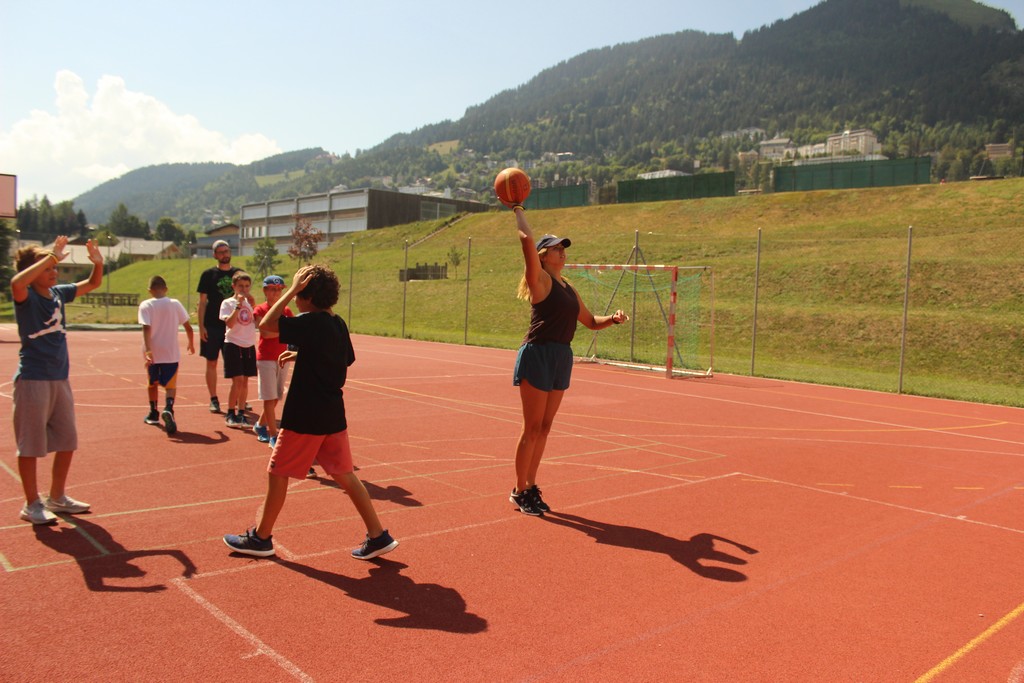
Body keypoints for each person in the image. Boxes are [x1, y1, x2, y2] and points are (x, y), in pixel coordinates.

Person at [223, 263, 398, 560]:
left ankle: (261, 538)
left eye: (299, 293)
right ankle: (378, 534)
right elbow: (344, 358)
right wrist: (304, 353)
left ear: (306, 295)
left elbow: (265, 326)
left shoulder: (310, 321)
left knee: (277, 472)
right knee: (345, 475)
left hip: (306, 415)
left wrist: (290, 290)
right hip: (332, 413)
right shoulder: (336, 323)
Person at [508, 205, 627, 516]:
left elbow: (589, 321)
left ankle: (531, 486)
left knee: (545, 427)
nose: (562, 252)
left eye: (563, 248)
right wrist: (518, 208)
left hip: (561, 356)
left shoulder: (568, 287)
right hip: (538, 354)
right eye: (555, 248)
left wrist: (612, 319)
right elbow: (525, 240)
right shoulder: (540, 282)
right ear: (543, 256)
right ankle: (519, 490)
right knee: (531, 427)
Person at [11, 236, 104, 524]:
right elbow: (16, 283)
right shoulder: (27, 297)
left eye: (54, 267)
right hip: (33, 380)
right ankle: (31, 504)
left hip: (59, 378)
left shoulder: (58, 294)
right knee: (30, 445)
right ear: (34, 272)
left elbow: (92, 284)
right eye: (48, 268)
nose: (54, 271)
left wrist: (98, 262)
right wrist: (50, 255)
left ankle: (57, 496)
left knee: (67, 441)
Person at [138, 275, 195, 436]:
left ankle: (153, 412)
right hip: (171, 352)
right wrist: (191, 343)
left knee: (152, 383)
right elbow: (188, 327)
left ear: (149, 290)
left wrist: (148, 350)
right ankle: (169, 408)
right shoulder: (175, 304)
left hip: (154, 352)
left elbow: (146, 328)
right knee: (170, 386)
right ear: (166, 289)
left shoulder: (146, 305)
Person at [196, 239, 240, 413]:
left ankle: (236, 398)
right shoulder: (208, 275)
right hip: (213, 326)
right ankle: (213, 398)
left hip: (233, 327)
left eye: (227, 251)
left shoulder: (238, 274)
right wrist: (201, 326)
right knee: (212, 362)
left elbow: (245, 297)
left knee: (235, 364)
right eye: (221, 252)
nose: (224, 254)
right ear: (215, 254)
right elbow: (202, 302)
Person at [251, 275, 293, 447]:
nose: (276, 293)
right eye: (272, 289)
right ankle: (273, 435)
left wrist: (281, 331)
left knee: (276, 396)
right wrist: (284, 330)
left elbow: (290, 331)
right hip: (266, 357)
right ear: (265, 290)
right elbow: (265, 332)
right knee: (269, 397)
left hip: (282, 357)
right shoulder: (260, 309)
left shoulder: (287, 310)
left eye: (279, 289)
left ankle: (260, 424)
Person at [218, 271, 257, 428]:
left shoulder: (250, 304)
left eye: (247, 286)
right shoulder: (228, 303)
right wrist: (238, 305)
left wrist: (253, 306)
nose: (244, 289)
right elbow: (229, 323)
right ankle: (230, 413)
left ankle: (241, 413)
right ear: (234, 286)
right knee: (238, 380)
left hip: (248, 344)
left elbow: (257, 322)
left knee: (245, 381)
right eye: (240, 286)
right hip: (233, 343)